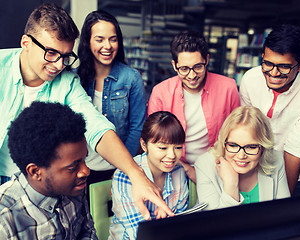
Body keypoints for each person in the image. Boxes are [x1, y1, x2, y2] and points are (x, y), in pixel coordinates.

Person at [0, 3, 173, 220]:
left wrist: (135, 175)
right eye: (51, 53)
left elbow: (96, 126)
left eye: (65, 56)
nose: (59, 65)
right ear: (26, 43)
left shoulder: (67, 82)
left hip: (41, 186)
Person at [239, 24, 300, 197]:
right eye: (268, 63)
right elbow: (247, 127)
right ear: (262, 56)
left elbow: (296, 146)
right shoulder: (250, 79)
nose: (274, 73)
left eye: (284, 67)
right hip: (259, 169)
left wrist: (283, 204)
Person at [147, 30, 240, 183]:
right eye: (184, 69)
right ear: (174, 65)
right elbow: (155, 143)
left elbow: (236, 134)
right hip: (171, 168)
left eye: (198, 67)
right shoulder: (160, 92)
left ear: (207, 60)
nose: (191, 76)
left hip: (217, 169)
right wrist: (188, 169)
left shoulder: (228, 88)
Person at [0, 102, 96, 239]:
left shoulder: (75, 185)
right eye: (73, 167)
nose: (85, 171)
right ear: (35, 172)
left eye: (84, 159)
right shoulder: (5, 222)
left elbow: (87, 231)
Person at [77, 10, 146, 165]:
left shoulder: (132, 78)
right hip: (82, 167)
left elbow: (137, 128)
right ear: (88, 42)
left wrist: (123, 166)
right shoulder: (75, 79)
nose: (107, 46)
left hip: (119, 167)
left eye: (113, 39)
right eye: (99, 40)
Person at [109, 111, 189, 240]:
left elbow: (182, 222)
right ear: (144, 145)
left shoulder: (178, 170)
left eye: (178, 147)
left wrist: (167, 220)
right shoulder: (124, 177)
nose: (172, 155)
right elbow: (139, 235)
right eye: (163, 148)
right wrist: (167, 222)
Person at [195, 106, 290, 210]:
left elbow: (284, 213)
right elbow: (213, 224)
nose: (241, 156)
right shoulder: (205, 165)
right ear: (223, 143)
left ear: (263, 147)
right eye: (233, 145)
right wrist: (231, 186)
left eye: (251, 147)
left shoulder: (276, 159)